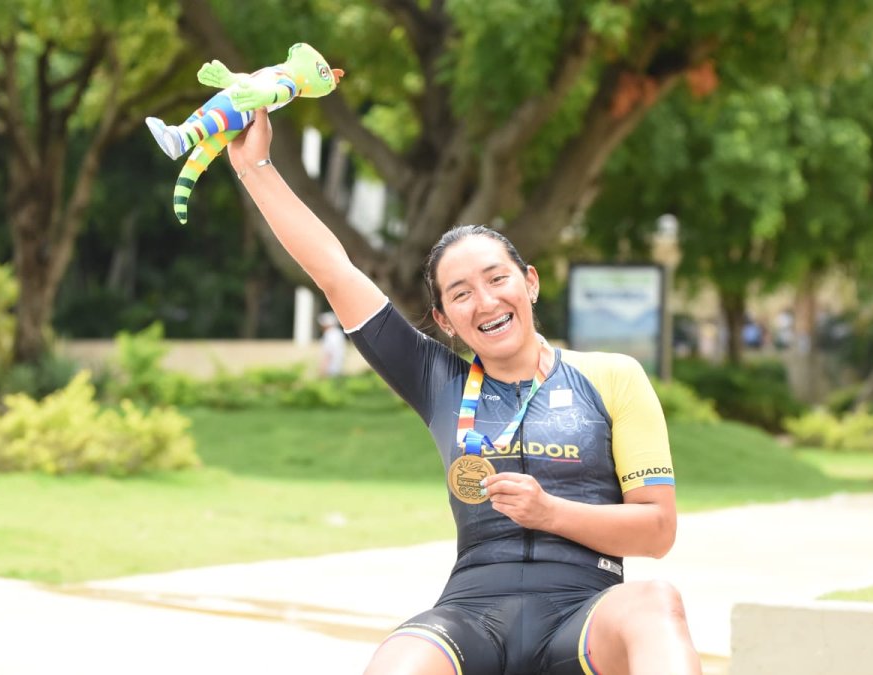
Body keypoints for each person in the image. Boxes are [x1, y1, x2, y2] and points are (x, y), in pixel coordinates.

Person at [228, 107, 701, 674]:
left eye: (497, 279)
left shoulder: (613, 376)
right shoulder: (437, 380)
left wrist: (549, 512)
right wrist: (254, 165)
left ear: (529, 283)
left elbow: (657, 530)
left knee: (656, 602)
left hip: (586, 610)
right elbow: (334, 270)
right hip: (473, 615)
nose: (485, 301)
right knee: (399, 660)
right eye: (460, 293)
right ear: (445, 319)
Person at [317, 311, 346, 378]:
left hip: (330, 369)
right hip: (338, 367)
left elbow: (328, 353)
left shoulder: (329, 334)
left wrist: (323, 369)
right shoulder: (338, 333)